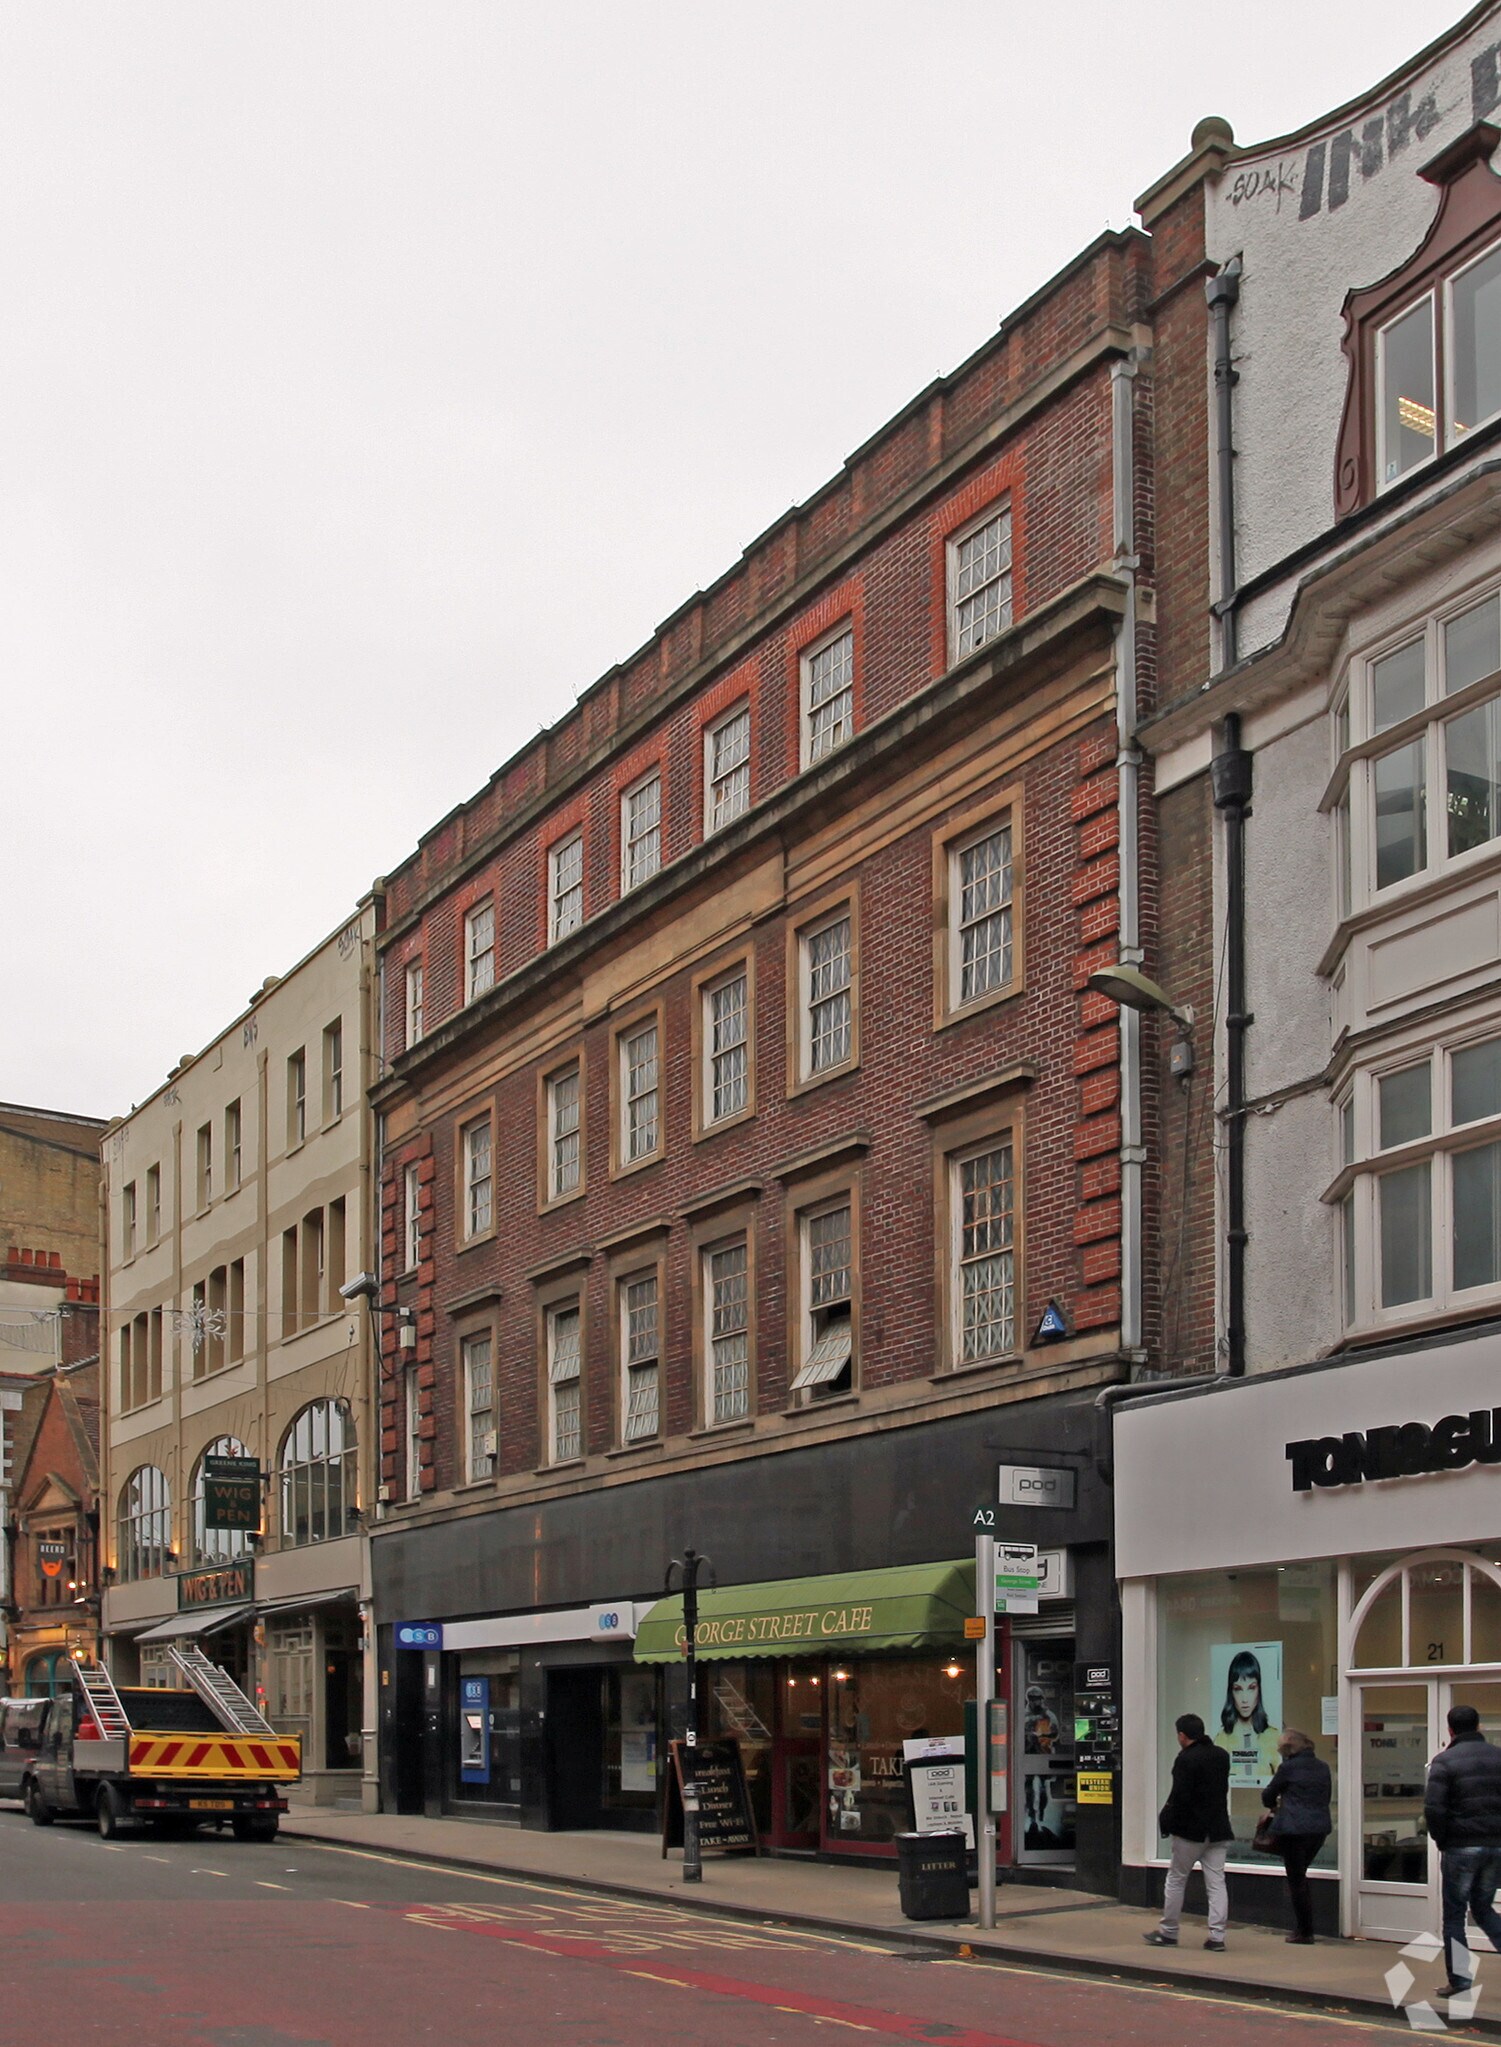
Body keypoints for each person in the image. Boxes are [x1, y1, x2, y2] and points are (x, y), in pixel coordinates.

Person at [1424, 1703, 1501, 2003]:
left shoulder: (1445, 1762)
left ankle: (1459, 1979)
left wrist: (1442, 1840)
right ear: (1478, 1726)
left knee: (1454, 1915)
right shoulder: (1498, 1757)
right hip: (1495, 1844)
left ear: (1450, 1730)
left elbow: (1434, 1808)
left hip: (1461, 1846)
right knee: (1483, 1908)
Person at [1145, 1712, 1233, 1952]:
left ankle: (1169, 1932)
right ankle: (1217, 1937)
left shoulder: (1185, 1759)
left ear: (1182, 1736)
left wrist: (1170, 1822)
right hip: (1218, 1828)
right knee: (1216, 1883)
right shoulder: (1221, 1756)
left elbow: (1180, 1796)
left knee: (1176, 1879)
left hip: (1191, 1831)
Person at [1260, 1729, 1331, 1943]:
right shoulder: (1323, 1767)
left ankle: (1304, 1931)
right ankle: (1304, 1928)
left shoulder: (1288, 1768)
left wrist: (1274, 1804)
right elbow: (1325, 1796)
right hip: (1319, 1828)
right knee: (1301, 1875)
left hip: (1294, 1829)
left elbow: (1268, 1795)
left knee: (1297, 1879)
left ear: (1288, 1749)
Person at [1215, 1650, 1281, 1785]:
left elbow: (1283, 1783)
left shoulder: (1273, 1737)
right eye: (1238, 1689)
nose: (1245, 1699)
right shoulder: (1221, 1740)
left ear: (1259, 1689)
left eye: (1251, 1688)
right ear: (1231, 1692)